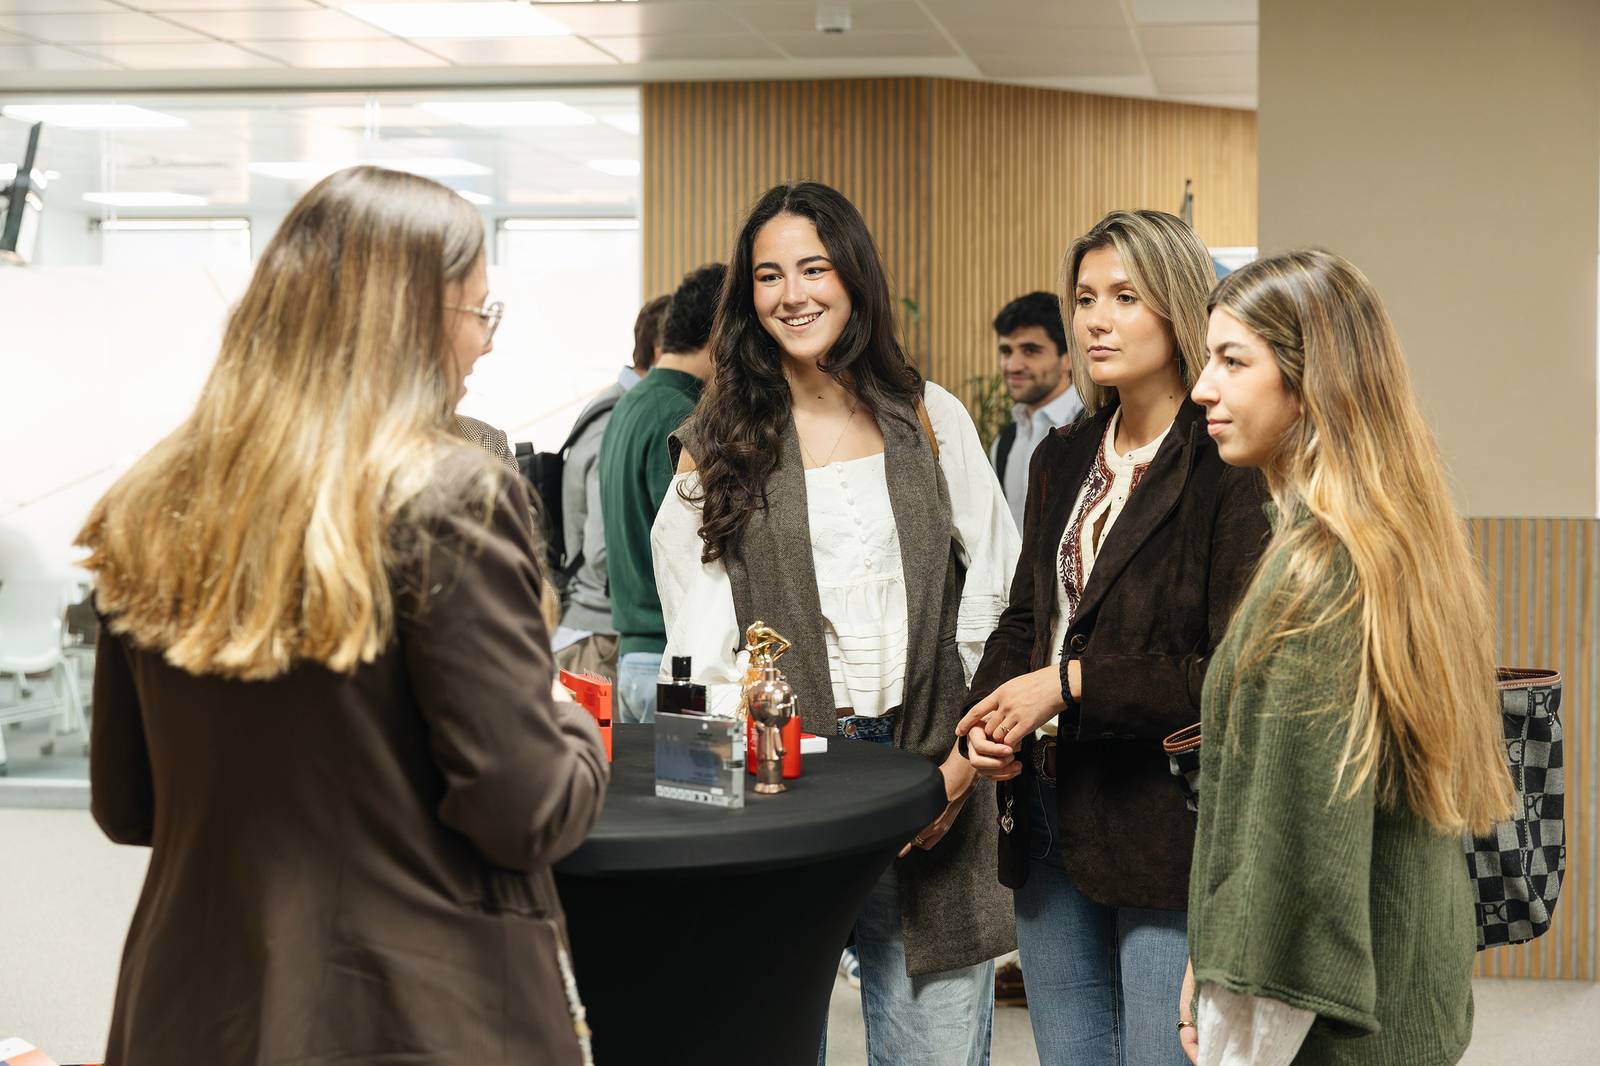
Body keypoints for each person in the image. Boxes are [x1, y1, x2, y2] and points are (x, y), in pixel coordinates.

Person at [76, 165, 609, 1066]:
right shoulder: (451, 499)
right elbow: (525, 811)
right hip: (403, 1016)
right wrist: (574, 728)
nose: (484, 345)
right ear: (412, 317)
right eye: (479, 314)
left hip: (196, 1007)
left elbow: (129, 805)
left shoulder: (153, 500)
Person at [653, 181, 1020, 1066]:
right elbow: (693, 643)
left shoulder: (929, 415)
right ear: (748, 296)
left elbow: (1003, 592)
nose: (794, 295)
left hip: (927, 772)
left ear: (853, 277)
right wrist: (698, 822)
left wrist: (957, 769)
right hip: (784, 793)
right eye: (770, 276)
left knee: (933, 1049)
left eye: (814, 268)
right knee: (765, 1040)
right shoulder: (718, 441)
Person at [1178, 249, 1516, 1066]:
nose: (1202, 389)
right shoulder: (1394, 540)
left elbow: (1296, 848)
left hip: (1327, 1029)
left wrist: (1232, 1027)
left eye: (1233, 361)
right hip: (1407, 996)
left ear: (1310, 383)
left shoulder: (1319, 576)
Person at [956, 210, 1270, 1066]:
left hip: (1165, 821)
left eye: (1125, 297)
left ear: (1178, 312)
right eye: (1086, 296)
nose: (1095, 319)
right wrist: (987, 718)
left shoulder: (1228, 464)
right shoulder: (1064, 453)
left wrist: (1070, 684)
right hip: (1048, 809)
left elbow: (1232, 675)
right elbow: (1027, 617)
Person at [599, 264, 724, 722]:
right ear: (720, 334)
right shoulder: (680, 413)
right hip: (670, 656)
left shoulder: (630, 400)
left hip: (634, 654)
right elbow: (688, 548)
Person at [555, 293, 671, 679]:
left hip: (604, 632)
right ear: (660, 350)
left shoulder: (618, 406)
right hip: (600, 639)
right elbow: (602, 547)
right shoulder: (618, 416)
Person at [990, 291, 1084, 532]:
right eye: (1006, 351)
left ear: (1069, 358)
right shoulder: (1005, 442)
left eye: (1030, 350)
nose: (1013, 365)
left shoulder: (1096, 428)